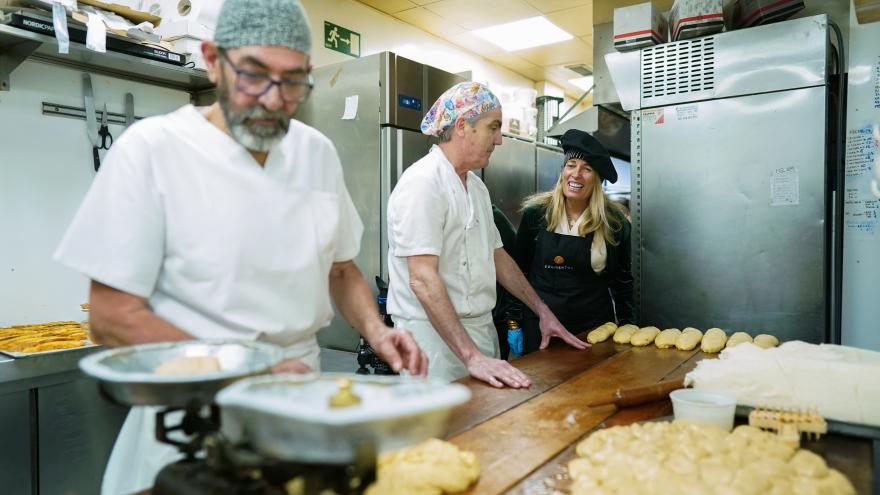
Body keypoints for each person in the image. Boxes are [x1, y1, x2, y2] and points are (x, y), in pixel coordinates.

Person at [53, 1, 426, 493]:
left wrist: (377, 331)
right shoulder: (153, 150)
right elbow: (112, 316)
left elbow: (340, 269)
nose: (273, 99)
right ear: (212, 59)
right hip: (192, 416)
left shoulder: (316, 152)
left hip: (301, 403)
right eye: (253, 75)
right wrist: (252, 372)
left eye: (292, 81)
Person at [386, 82, 588, 389]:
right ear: (464, 126)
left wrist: (543, 312)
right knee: (445, 431)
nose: (499, 139)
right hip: (431, 340)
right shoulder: (423, 183)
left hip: (480, 330)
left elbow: (498, 256)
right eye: (493, 128)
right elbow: (422, 279)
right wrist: (470, 357)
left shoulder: (476, 187)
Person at [514, 129, 634, 355]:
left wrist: (629, 327)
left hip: (592, 330)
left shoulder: (613, 223)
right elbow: (518, 271)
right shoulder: (536, 214)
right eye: (571, 165)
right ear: (562, 171)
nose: (576, 174)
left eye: (587, 169)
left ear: (597, 180)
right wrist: (512, 321)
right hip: (539, 325)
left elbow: (623, 283)